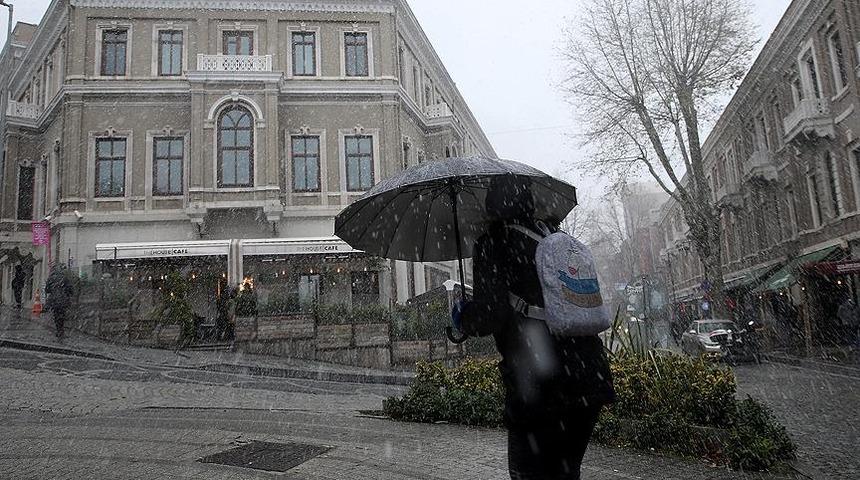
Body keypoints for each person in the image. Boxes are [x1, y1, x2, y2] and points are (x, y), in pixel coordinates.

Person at [458, 177, 615, 480]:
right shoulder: (552, 235)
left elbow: (490, 315)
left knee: (529, 474)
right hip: (589, 375)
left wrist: (463, 317)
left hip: (539, 384)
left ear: (494, 204)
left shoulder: (495, 241)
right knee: (565, 473)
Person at [45, 264, 74, 341]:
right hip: (63, 300)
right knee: (62, 315)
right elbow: (70, 289)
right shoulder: (65, 278)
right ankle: (61, 330)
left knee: (56, 315)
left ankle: (58, 330)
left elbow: (47, 290)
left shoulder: (51, 278)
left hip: (54, 300)